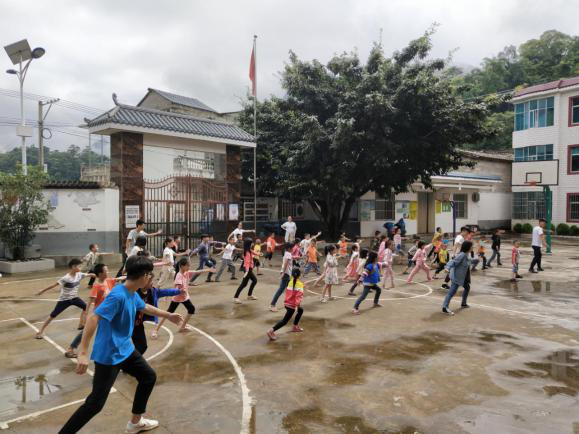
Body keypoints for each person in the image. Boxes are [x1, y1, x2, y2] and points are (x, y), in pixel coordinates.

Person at [58, 255, 183, 434]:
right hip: (109, 355)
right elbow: (93, 318)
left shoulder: (132, 292)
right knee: (95, 404)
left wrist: (168, 315)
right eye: (150, 275)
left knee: (148, 377)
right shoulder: (118, 296)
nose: (151, 279)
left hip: (125, 349)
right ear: (143, 276)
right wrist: (83, 352)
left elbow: (144, 307)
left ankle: (135, 423)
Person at [64, 264, 121, 358]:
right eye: (106, 271)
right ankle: (71, 348)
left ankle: (113, 350)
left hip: (107, 313)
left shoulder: (109, 280)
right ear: (100, 274)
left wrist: (131, 276)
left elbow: (119, 278)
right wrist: (86, 315)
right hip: (98, 314)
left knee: (111, 330)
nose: (108, 272)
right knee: (86, 331)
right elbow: (90, 301)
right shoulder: (97, 286)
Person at [35, 259, 95, 339]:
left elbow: (89, 275)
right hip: (64, 300)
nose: (81, 267)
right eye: (79, 266)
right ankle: (40, 331)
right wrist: (42, 291)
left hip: (75, 298)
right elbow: (53, 285)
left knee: (86, 308)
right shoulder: (66, 278)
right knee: (53, 315)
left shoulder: (80, 274)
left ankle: (81, 324)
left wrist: (94, 274)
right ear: (73, 267)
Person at [153, 257, 214, 336]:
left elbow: (197, 271)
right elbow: (176, 288)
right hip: (177, 298)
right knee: (167, 314)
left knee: (191, 309)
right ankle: (156, 330)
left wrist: (208, 270)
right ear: (182, 266)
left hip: (184, 298)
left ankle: (182, 327)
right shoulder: (179, 276)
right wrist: (175, 292)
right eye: (188, 265)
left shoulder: (186, 273)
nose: (189, 267)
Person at [134, 273, 181, 352]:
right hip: (129, 322)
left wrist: (178, 291)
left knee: (142, 346)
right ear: (143, 282)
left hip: (138, 323)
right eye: (150, 280)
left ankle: (133, 359)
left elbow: (165, 292)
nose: (152, 282)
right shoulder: (134, 293)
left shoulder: (153, 291)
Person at [267, 267, 305, 340]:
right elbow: (298, 297)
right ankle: (271, 330)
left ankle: (295, 326)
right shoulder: (299, 284)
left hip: (287, 303)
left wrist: (302, 286)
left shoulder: (290, 282)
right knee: (284, 321)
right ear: (299, 275)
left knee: (301, 310)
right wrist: (297, 306)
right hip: (292, 305)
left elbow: (294, 289)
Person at [441, 241, 473, 315]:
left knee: (467, 287)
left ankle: (463, 303)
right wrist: (447, 268)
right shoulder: (462, 255)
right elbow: (453, 261)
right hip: (457, 276)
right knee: (452, 292)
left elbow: (468, 262)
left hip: (464, 276)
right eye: (471, 246)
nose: (472, 247)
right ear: (468, 247)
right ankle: (445, 307)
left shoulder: (467, 254)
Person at [233, 239, 259, 304]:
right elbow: (247, 262)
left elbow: (253, 252)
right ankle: (236, 297)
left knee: (248, 283)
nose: (252, 244)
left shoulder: (249, 250)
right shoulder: (247, 252)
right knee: (247, 283)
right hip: (247, 269)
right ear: (248, 244)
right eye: (251, 243)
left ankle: (249, 295)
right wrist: (247, 271)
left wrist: (258, 254)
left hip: (249, 269)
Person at [270, 243, 294, 311]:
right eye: (292, 247)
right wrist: (283, 272)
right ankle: (272, 305)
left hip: (287, 274)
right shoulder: (288, 254)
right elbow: (286, 263)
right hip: (286, 274)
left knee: (290, 288)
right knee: (281, 290)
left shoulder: (286, 253)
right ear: (289, 248)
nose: (293, 249)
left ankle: (289, 302)